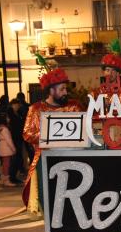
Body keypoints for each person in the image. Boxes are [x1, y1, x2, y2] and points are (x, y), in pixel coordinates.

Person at [23, 68, 83, 214]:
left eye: (65, 89)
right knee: (50, 202)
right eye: (62, 89)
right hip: (45, 161)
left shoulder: (73, 106)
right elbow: (27, 133)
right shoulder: (36, 109)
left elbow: (84, 128)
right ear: (51, 91)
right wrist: (49, 137)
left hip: (73, 159)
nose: (65, 92)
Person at [0, 115, 17, 187]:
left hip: (2, 146)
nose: (8, 119)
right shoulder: (5, 129)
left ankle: (3, 179)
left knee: (4, 164)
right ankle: (6, 180)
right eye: (7, 118)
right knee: (7, 164)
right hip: (6, 147)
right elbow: (9, 140)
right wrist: (13, 148)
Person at [7, 99, 24, 184]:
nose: (17, 106)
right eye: (16, 105)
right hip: (14, 137)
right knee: (15, 158)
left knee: (18, 157)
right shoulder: (9, 113)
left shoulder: (18, 113)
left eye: (18, 105)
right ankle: (12, 176)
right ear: (12, 105)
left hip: (19, 137)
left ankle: (14, 175)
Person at [16, 92, 33, 170]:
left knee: (20, 149)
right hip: (27, 129)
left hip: (20, 130)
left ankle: (22, 166)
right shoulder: (28, 106)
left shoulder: (18, 108)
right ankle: (32, 163)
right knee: (29, 148)